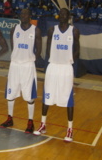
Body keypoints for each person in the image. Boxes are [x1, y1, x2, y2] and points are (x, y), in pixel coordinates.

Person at [33, 8, 80, 142]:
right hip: (53, 66)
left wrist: (69, 60)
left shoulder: (74, 31)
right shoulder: (52, 30)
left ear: (68, 17)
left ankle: (70, 129)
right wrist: (54, 58)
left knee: (68, 99)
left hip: (66, 68)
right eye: (61, 14)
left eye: (65, 14)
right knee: (47, 96)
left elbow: (77, 50)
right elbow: (48, 48)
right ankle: (43, 125)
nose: (62, 16)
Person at [0, 9, 42, 133]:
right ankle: (9, 118)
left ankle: (30, 122)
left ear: (30, 16)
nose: (23, 16)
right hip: (15, 66)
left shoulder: (36, 30)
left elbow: (39, 50)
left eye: (25, 14)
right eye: (21, 14)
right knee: (10, 94)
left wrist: (30, 59)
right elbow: (14, 47)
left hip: (28, 66)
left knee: (29, 96)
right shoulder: (14, 29)